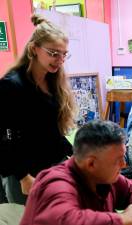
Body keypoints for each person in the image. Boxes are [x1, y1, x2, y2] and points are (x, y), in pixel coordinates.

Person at [0, 15, 76, 204]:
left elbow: (50, 130)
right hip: (25, 174)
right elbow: (4, 139)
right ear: (34, 49)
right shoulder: (12, 85)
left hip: (53, 166)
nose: (60, 60)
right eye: (53, 53)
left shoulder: (54, 82)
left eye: (64, 54)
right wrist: (23, 176)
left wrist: (76, 154)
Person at [20, 120, 132, 225]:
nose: (124, 165)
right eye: (118, 160)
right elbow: (67, 220)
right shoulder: (56, 183)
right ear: (91, 163)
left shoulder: (103, 175)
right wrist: (123, 219)